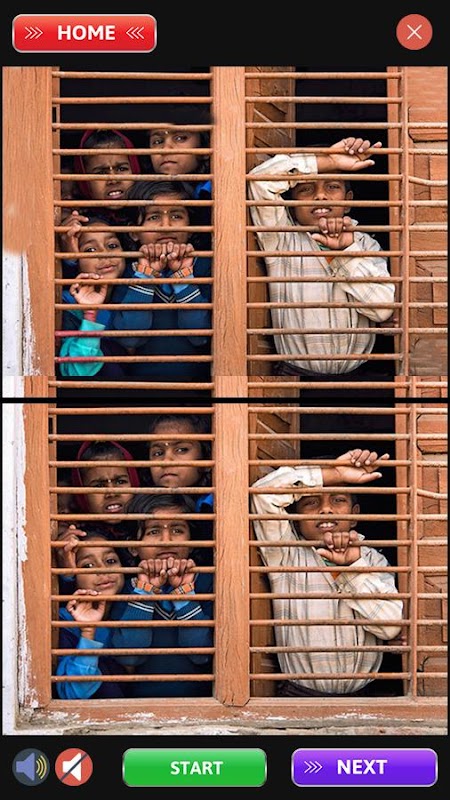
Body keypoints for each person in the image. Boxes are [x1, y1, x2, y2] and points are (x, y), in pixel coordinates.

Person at [250, 448, 403, 697]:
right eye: (311, 502)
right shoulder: (286, 553)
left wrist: (351, 569)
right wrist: (334, 474)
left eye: (338, 500)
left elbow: (391, 627)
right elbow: (263, 494)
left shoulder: (372, 559)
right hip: (300, 696)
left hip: (364, 696)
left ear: (354, 516)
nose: (326, 509)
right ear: (296, 517)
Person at [247, 137, 395, 378]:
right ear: (292, 203)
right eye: (306, 189)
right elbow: (260, 181)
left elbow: (383, 310)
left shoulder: (365, 244)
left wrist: (344, 253)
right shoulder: (281, 238)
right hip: (295, 374)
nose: (320, 196)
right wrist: (328, 162)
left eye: (332, 186)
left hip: (358, 377)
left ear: (348, 201)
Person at [111, 494, 214, 697]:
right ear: (133, 547)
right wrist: (144, 590)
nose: (166, 541)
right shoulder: (125, 587)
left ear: (192, 542)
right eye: (153, 531)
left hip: (200, 705)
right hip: (141, 706)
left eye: (177, 530)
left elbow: (201, 654)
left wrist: (184, 594)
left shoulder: (208, 583)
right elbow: (130, 657)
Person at [120, 180, 212, 382]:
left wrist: (183, 277)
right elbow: (130, 338)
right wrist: (145, 275)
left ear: (191, 227)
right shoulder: (125, 271)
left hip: (197, 386)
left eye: (176, 216)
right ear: (134, 232)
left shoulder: (206, 267)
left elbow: (199, 336)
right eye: (153, 217)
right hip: (141, 386)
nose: (166, 225)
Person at [57, 215, 158, 378]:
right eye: (90, 250)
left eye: (112, 245)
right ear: (75, 260)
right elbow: (77, 372)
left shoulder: (135, 286)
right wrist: (90, 315)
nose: (105, 254)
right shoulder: (66, 306)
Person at [55, 526, 132, 699]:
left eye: (110, 561)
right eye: (88, 565)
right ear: (72, 576)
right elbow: (73, 694)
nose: (103, 570)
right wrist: (88, 633)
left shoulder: (135, 607)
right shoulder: (63, 623)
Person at [58, 129, 141, 278]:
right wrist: (70, 258)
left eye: (121, 169)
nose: (113, 179)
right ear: (84, 182)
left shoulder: (148, 213)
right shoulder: (79, 227)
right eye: (101, 172)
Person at [147, 104, 212, 251]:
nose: (166, 149)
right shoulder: (143, 193)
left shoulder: (212, 191)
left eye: (180, 138)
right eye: (158, 141)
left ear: (205, 147)